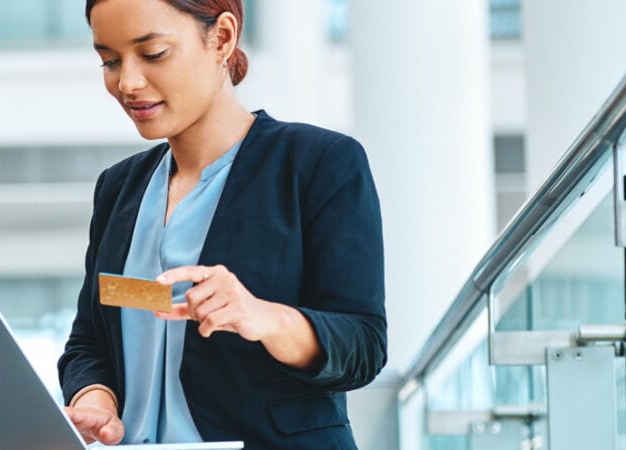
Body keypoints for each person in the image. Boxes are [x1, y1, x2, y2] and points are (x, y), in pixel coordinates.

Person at [56, 0, 387, 448]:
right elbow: (89, 340)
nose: (128, 82)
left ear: (223, 37)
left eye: (153, 53)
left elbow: (362, 345)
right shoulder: (119, 188)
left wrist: (262, 316)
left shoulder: (317, 163)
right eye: (110, 61)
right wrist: (97, 400)